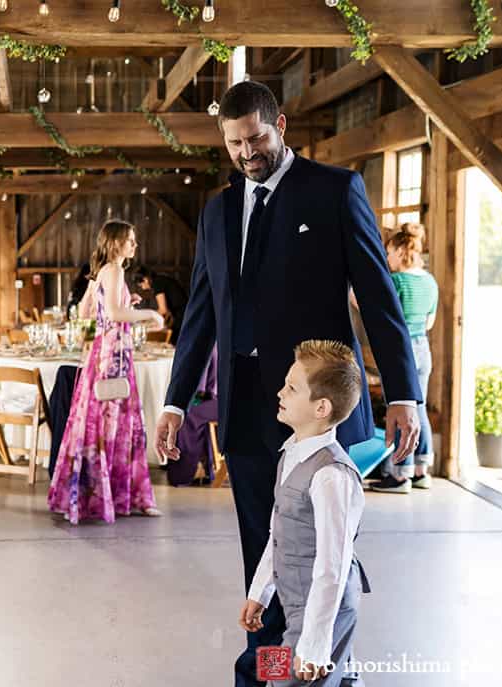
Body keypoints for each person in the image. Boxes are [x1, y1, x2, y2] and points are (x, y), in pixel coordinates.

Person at [154, 81, 421, 687]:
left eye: (256, 138)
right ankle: (270, 670)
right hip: (249, 411)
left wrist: (403, 395)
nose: (247, 153)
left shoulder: (334, 191)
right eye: (233, 144)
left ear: (281, 123)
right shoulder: (218, 210)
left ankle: (322, 666)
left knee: (322, 555)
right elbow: (200, 313)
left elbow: (380, 299)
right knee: (264, 551)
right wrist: (175, 401)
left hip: (321, 412)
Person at [240, 340, 369, 687]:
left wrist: (313, 643)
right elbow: (277, 533)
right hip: (291, 603)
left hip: (321, 610)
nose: (280, 392)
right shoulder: (290, 454)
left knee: (292, 680)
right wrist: (259, 592)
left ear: (321, 407)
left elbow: (333, 565)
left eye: (292, 388)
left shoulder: (331, 476)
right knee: (280, 675)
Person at [48, 220, 164, 524]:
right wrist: (147, 314)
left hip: (101, 351)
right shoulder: (114, 269)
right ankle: (117, 495)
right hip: (113, 354)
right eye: (130, 241)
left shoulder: (103, 271)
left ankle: (95, 495)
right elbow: (112, 314)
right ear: (116, 243)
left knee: (95, 421)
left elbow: (86, 312)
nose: (134, 246)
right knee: (117, 419)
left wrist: (128, 301)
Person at [368, 223, 439, 494]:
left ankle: (400, 476)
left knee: (399, 409)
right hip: (423, 348)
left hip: (401, 351)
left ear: (400, 250)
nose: (387, 258)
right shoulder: (429, 282)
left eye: (389, 252)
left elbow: (382, 316)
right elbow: (429, 322)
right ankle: (422, 471)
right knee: (418, 409)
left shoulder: (396, 282)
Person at [135, 265, 188, 344]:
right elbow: (167, 311)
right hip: (183, 313)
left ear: (145, 279)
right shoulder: (160, 279)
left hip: (182, 315)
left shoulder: (157, 283)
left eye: (141, 285)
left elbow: (163, 310)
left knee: (175, 343)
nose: (142, 288)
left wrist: (146, 320)